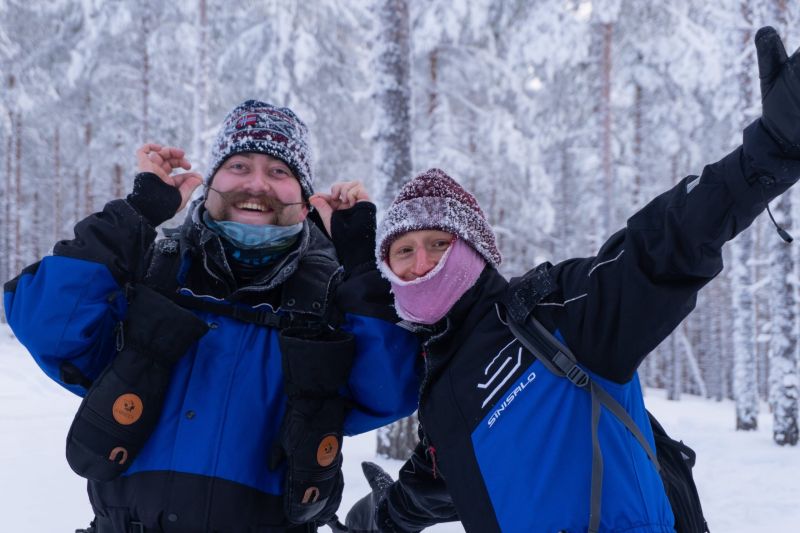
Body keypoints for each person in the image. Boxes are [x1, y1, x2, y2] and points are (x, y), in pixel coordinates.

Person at [335, 27, 800, 532]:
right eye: (404, 251)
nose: (422, 262)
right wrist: (378, 519)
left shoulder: (553, 310)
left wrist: (768, 152)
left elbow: (665, 243)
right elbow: (430, 486)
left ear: (476, 250)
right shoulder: (440, 394)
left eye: (441, 244)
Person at [2, 100, 419, 532]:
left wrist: (361, 267)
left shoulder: (330, 301)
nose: (257, 184)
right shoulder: (151, 272)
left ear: (304, 197)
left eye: (280, 172)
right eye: (239, 165)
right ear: (211, 181)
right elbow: (47, 324)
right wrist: (135, 214)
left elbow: (390, 391)